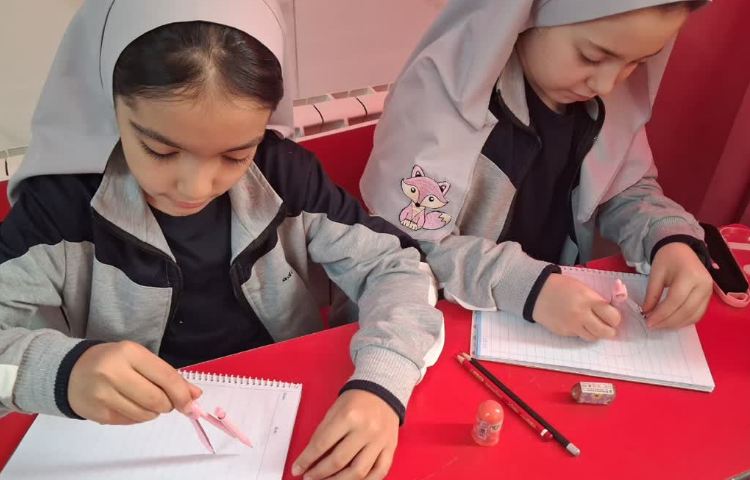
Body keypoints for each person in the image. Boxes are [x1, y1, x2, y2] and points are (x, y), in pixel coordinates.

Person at [0, 2, 443, 479]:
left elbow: (398, 268)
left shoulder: (283, 175)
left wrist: (381, 384)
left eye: (235, 155)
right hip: (127, 438)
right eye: (160, 150)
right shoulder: (61, 206)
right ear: (111, 105)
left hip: (284, 411)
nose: (195, 187)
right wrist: (62, 372)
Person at [361, 0, 714, 342]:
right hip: (419, 331)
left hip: (546, 316)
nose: (607, 84)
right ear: (526, 14)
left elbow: (627, 188)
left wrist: (667, 239)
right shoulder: (440, 106)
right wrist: (529, 287)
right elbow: (404, 248)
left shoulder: (605, 104)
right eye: (591, 57)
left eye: (636, 62)